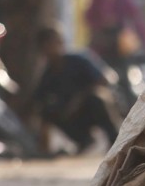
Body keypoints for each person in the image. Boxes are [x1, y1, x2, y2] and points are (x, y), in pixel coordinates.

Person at [30, 26, 120, 154]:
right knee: (47, 110)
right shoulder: (48, 75)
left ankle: (114, 139)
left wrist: (80, 99)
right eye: (45, 46)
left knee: (97, 97)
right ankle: (83, 140)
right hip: (73, 116)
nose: (50, 49)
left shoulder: (79, 60)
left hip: (92, 108)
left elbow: (106, 78)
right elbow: (38, 101)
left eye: (52, 43)